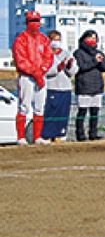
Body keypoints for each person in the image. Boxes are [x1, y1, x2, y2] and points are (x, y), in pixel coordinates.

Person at [12, 11, 55, 145]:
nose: (35, 24)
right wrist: (35, 72)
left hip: (41, 76)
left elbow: (49, 57)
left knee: (40, 106)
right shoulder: (21, 39)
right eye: (32, 21)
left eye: (37, 21)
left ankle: (37, 137)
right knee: (24, 106)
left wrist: (42, 70)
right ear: (27, 23)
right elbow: (21, 60)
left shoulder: (44, 39)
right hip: (27, 76)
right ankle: (21, 137)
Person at [42, 30, 78, 142]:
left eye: (58, 40)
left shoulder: (67, 54)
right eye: (54, 39)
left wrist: (69, 66)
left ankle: (60, 134)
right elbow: (44, 71)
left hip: (65, 88)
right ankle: (47, 135)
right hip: (51, 87)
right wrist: (57, 69)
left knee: (63, 113)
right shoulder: (45, 54)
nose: (56, 42)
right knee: (50, 112)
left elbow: (73, 71)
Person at [73, 29, 105, 141]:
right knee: (82, 111)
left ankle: (93, 133)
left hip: (97, 86)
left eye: (94, 38)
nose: (92, 40)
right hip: (84, 86)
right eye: (90, 37)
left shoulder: (98, 52)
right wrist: (95, 61)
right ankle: (80, 134)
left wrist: (102, 61)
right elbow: (82, 67)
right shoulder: (78, 53)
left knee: (95, 112)